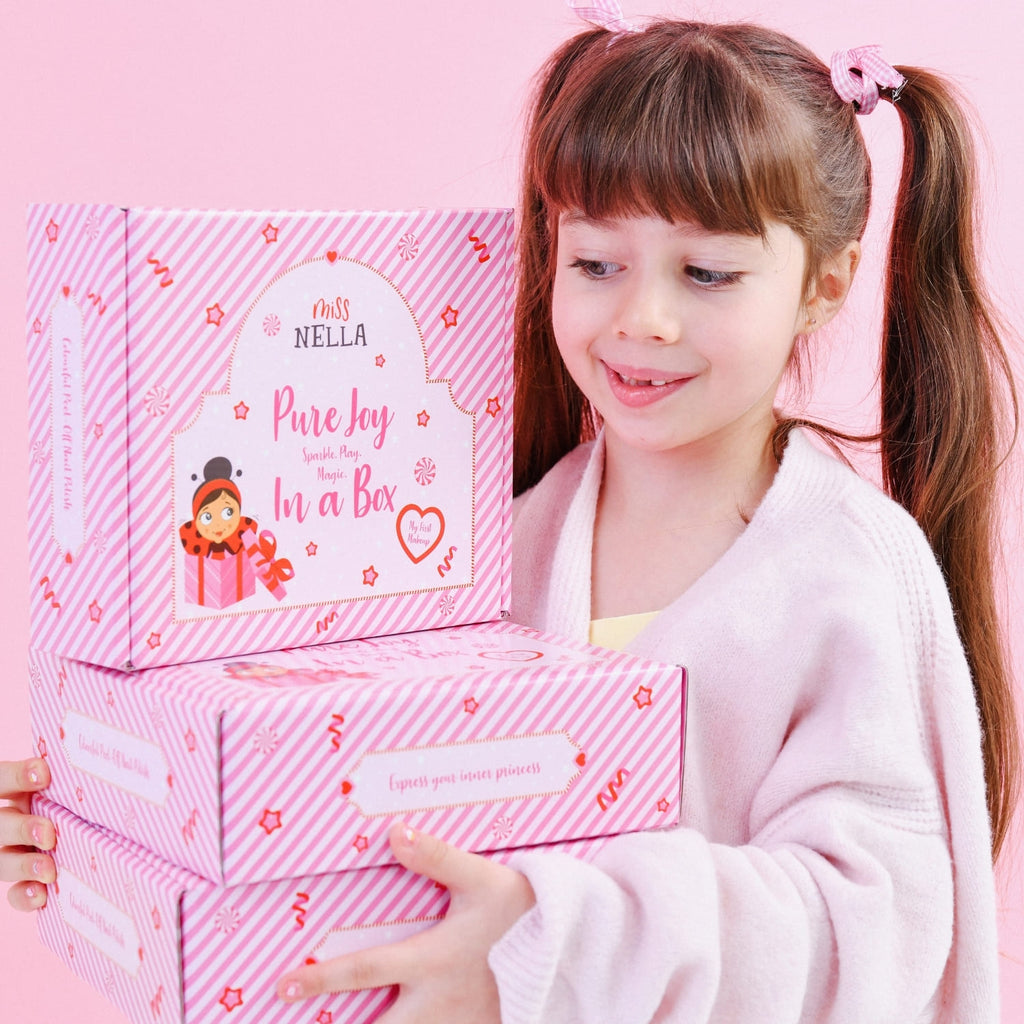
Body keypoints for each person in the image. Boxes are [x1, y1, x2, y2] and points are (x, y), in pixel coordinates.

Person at [2, 5, 1019, 1022]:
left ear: (823, 285)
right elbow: (345, 807)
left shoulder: (842, 574)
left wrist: (557, 937)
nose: (642, 318)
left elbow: (872, 925)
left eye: (706, 272)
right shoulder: (494, 545)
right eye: (595, 263)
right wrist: (110, 821)